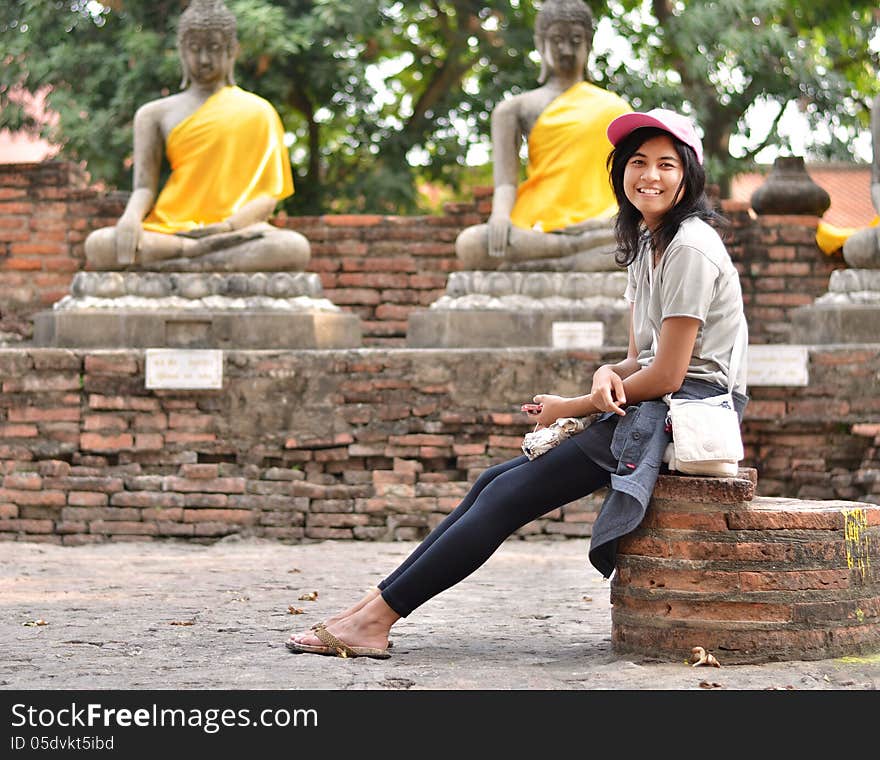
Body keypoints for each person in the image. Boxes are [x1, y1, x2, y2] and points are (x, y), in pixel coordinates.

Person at [286, 108, 749, 659]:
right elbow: (639, 359)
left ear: (688, 176)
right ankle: (373, 608)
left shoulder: (691, 247)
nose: (649, 175)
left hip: (691, 412)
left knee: (508, 495)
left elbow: (671, 374)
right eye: (637, 162)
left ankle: (377, 618)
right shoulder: (649, 244)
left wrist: (572, 405)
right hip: (656, 399)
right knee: (492, 481)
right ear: (620, 171)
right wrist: (605, 375)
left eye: (666, 165)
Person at [84, 0, 310, 273]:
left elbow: (268, 196)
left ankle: (186, 259)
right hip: (170, 229)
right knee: (100, 244)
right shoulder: (153, 114)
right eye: (195, 49)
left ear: (232, 52)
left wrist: (228, 227)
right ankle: (196, 255)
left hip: (235, 231)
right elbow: (144, 188)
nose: (204, 59)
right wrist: (130, 218)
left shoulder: (258, 111)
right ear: (181, 51)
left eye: (214, 48)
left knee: (293, 248)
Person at [454, 0, 631, 272]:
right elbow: (505, 184)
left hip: (601, 224)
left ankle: (557, 262)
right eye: (557, 40)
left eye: (575, 40)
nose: (566, 49)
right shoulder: (514, 109)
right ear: (540, 43)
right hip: (537, 227)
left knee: (645, 237)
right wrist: (500, 217)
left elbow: (630, 180)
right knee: (472, 244)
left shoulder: (615, 108)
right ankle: (573, 258)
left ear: (589, 43)